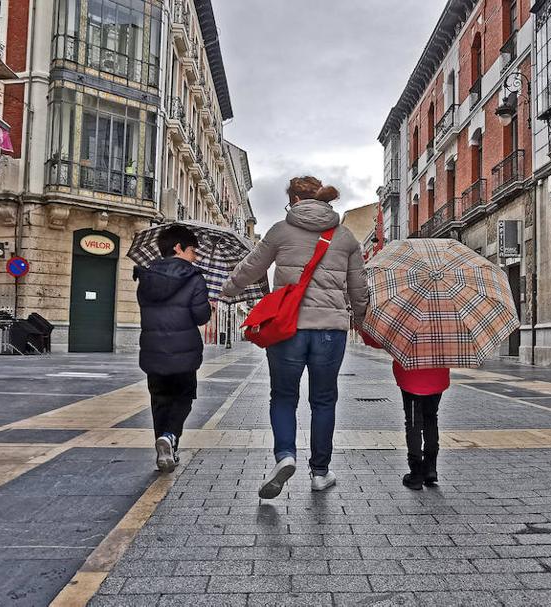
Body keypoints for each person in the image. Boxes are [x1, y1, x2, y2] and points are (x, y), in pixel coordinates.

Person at [223, 176, 368, 498]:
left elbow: (251, 267)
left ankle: (285, 455)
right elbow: (359, 288)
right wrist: (358, 318)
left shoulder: (280, 230)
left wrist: (227, 290)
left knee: (284, 397)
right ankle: (320, 472)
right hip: (330, 330)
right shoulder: (344, 237)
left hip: (286, 329)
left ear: (295, 201)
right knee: (324, 399)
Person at [134, 225, 212, 473]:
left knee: (160, 400)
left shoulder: (145, 277)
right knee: (184, 398)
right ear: (178, 248)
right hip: (183, 352)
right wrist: (206, 304)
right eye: (192, 250)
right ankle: (169, 437)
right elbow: (201, 317)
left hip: (153, 349)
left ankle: (165, 452)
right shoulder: (194, 277)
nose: (194, 256)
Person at [361, 332, 450, 490]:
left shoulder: (405, 311)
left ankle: (415, 474)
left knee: (414, 422)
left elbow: (377, 340)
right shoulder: (445, 313)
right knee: (431, 418)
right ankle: (430, 468)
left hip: (411, 375)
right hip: (437, 373)